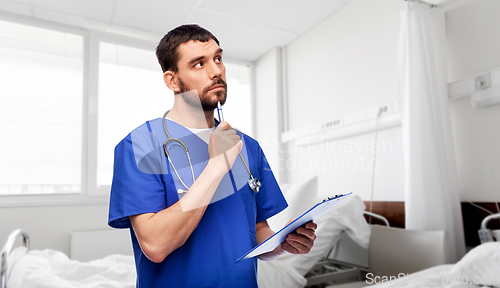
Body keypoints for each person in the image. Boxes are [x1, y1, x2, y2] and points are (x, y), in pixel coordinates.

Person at [108, 24, 317, 288]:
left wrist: (281, 243)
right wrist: (216, 166)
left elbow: (257, 229)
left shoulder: (247, 147)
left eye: (218, 58)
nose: (216, 71)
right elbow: (155, 245)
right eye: (199, 63)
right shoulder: (139, 145)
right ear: (173, 81)